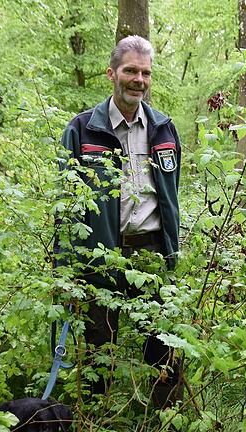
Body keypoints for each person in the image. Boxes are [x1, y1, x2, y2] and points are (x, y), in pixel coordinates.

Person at [55, 35, 182, 405]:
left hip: (152, 255)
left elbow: (171, 198)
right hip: (99, 258)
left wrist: (173, 254)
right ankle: (97, 418)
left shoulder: (164, 129)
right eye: (130, 70)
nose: (138, 80)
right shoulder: (82, 130)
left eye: (145, 73)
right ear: (111, 73)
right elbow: (65, 207)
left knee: (164, 351)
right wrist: (66, 271)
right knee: (98, 353)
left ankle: (163, 420)